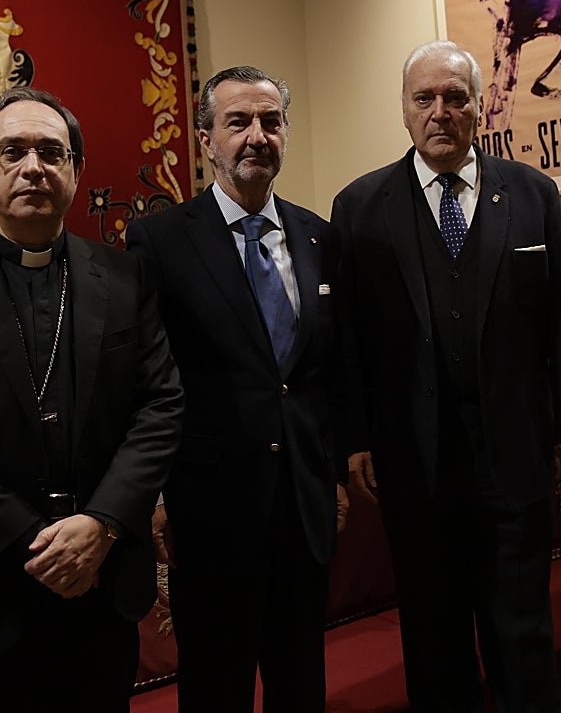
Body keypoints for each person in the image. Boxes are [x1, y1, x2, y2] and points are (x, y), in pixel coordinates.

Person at [0, 86, 182, 713]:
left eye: (52, 151)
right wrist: (41, 546)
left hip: (102, 578)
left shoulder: (126, 278)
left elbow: (160, 408)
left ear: (75, 170)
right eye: (12, 151)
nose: (33, 167)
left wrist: (100, 526)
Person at [331, 41, 561, 712]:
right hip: (414, 467)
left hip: (515, 458)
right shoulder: (359, 207)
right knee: (432, 640)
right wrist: (354, 438)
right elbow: (347, 342)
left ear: (479, 108)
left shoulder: (532, 195)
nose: (440, 112)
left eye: (455, 97)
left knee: (523, 636)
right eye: (424, 98)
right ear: (404, 111)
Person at [127, 66, 347, 711]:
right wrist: (157, 491)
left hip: (303, 505)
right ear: (206, 140)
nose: (257, 136)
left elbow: (327, 371)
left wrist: (331, 471)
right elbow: (146, 376)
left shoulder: (317, 238)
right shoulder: (161, 240)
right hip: (210, 506)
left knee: (300, 676)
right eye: (238, 122)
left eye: (271, 121)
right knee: (216, 685)